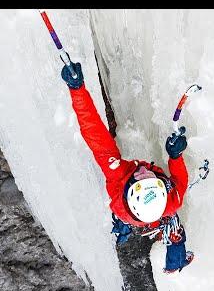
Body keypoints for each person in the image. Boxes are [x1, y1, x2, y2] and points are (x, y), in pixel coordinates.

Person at [61, 61, 194, 273]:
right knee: (176, 235)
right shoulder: (172, 202)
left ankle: (169, 258)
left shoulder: (117, 176)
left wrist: (77, 90)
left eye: (142, 176)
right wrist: (175, 157)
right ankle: (176, 261)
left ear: (131, 184)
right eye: (152, 177)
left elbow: (94, 133)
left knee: (157, 227)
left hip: (130, 214)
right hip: (144, 213)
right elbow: (181, 182)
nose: (145, 170)